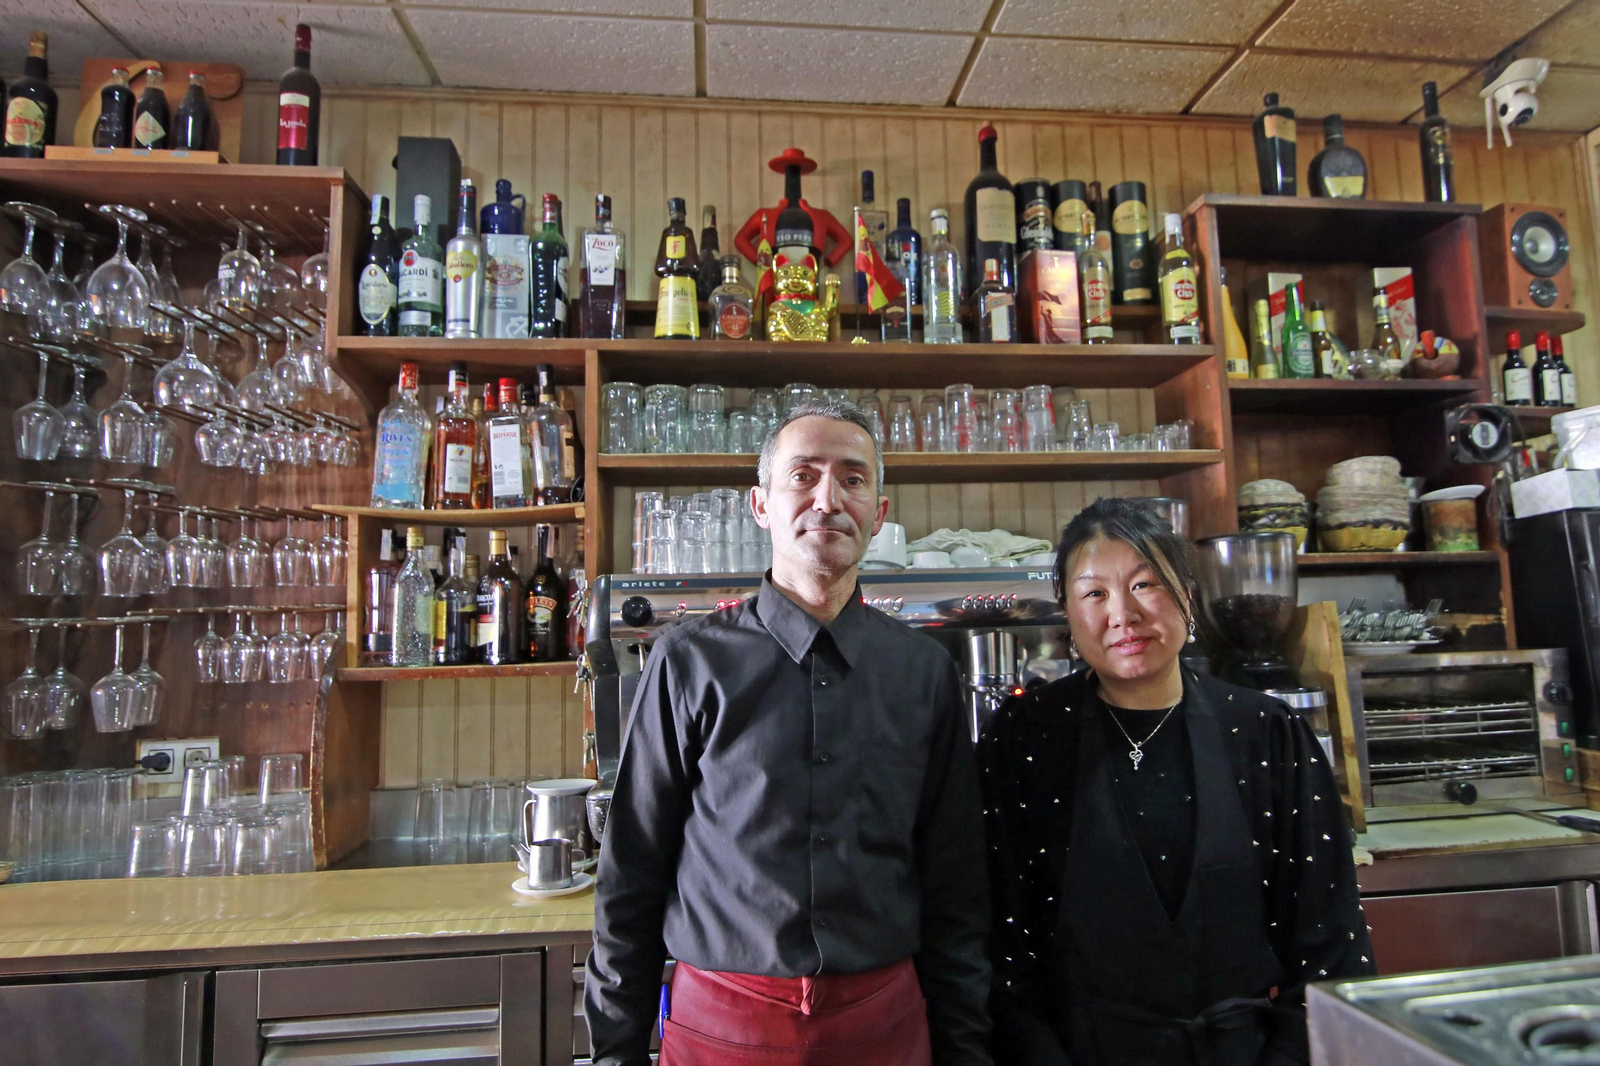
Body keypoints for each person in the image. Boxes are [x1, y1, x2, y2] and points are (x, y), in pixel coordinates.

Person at [586, 399, 993, 1066]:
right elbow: (631, 873)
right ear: (761, 505)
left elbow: (956, 888)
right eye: (803, 476)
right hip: (721, 1028)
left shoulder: (924, 672)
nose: (828, 499)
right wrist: (615, 1053)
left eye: (854, 480)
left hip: (885, 1025)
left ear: (879, 513)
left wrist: (965, 1049)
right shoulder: (688, 660)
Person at [979, 498, 1374, 1065]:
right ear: (1066, 613)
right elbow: (1001, 940)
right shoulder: (1023, 738)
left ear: (1188, 597)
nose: (1123, 614)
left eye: (1145, 585)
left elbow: (1329, 943)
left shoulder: (1267, 733)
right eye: (1094, 594)